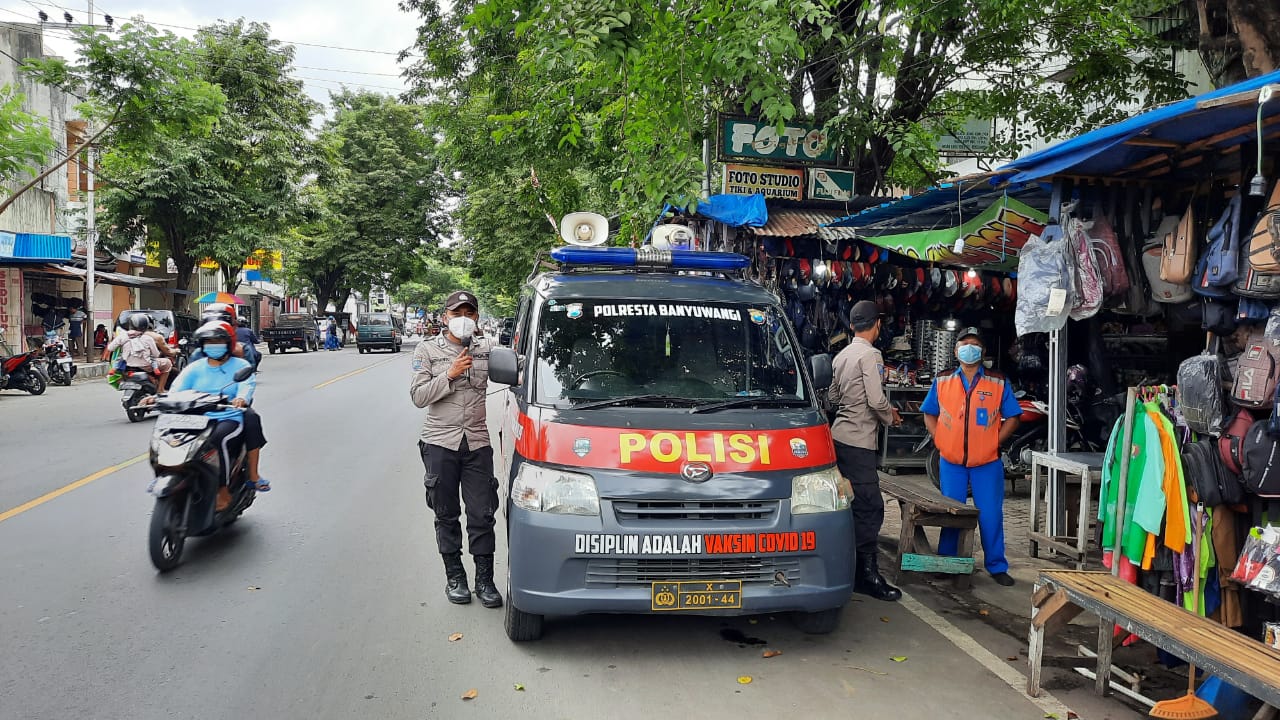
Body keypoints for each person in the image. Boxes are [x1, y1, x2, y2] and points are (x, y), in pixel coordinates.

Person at [409, 290, 502, 608]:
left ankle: (485, 581)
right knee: (446, 514)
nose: (463, 318)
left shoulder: (488, 348)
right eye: (456, 312)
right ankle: (455, 578)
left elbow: (516, 374)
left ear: (476, 318)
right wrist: (449, 375)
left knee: (482, 514)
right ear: (444, 317)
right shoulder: (427, 350)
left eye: (469, 312)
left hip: (477, 442)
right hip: (439, 443)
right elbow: (418, 396)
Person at [922, 327, 1023, 587]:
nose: (969, 348)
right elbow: (929, 413)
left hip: (987, 463)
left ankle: (996, 565)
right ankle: (947, 561)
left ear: (983, 351)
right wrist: (938, 439)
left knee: (990, 515)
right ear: (956, 351)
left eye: (974, 344)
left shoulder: (997, 381)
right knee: (952, 513)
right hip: (951, 462)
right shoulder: (942, 380)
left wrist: (995, 441)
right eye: (964, 343)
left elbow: (1014, 416)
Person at [829, 300, 904, 602]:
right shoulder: (871, 355)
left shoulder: (841, 355)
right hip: (860, 440)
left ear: (851, 326)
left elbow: (833, 396)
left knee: (847, 503)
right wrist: (892, 416)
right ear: (877, 325)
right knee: (870, 507)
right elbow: (876, 399)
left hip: (839, 438)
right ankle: (866, 575)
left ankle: (846, 566)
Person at [154, 321, 269, 511]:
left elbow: (246, 386)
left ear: (228, 343)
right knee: (167, 437)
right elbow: (176, 389)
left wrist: (240, 398)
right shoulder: (195, 367)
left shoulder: (240, 366)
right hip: (195, 418)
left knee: (217, 441)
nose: (213, 345)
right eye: (209, 342)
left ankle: (223, 491)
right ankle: (166, 474)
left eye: (218, 341)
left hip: (228, 416)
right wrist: (159, 398)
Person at [104, 314, 172, 392]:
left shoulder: (122, 336)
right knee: (168, 363)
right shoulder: (148, 338)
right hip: (146, 365)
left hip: (127, 365)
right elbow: (156, 354)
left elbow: (110, 348)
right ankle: (161, 389)